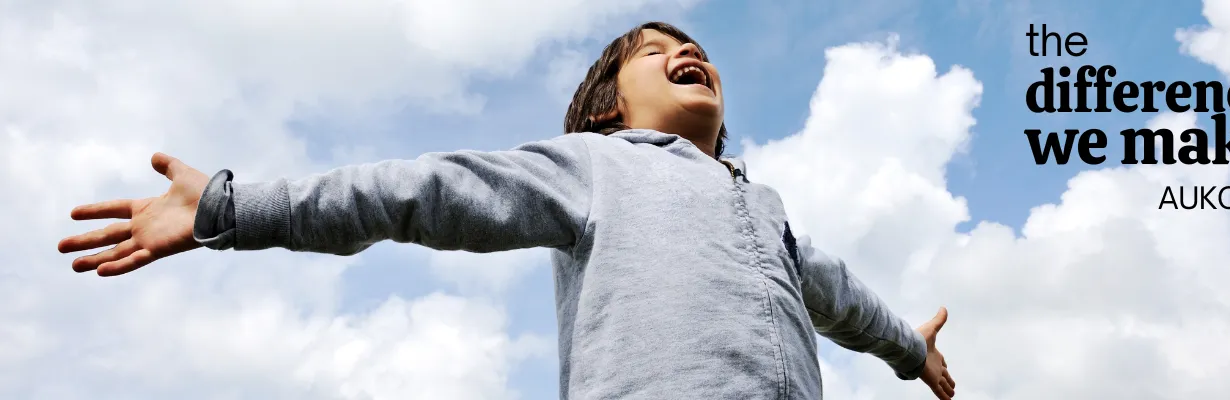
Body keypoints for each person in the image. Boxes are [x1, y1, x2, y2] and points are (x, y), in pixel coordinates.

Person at [58, 21, 957, 400]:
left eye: (696, 48)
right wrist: (231, 207)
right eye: (657, 52)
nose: (688, 53)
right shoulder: (594, 167)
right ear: (609, 102)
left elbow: (839, 296)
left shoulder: (765, 211)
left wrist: (910, 350)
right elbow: (422, 193)